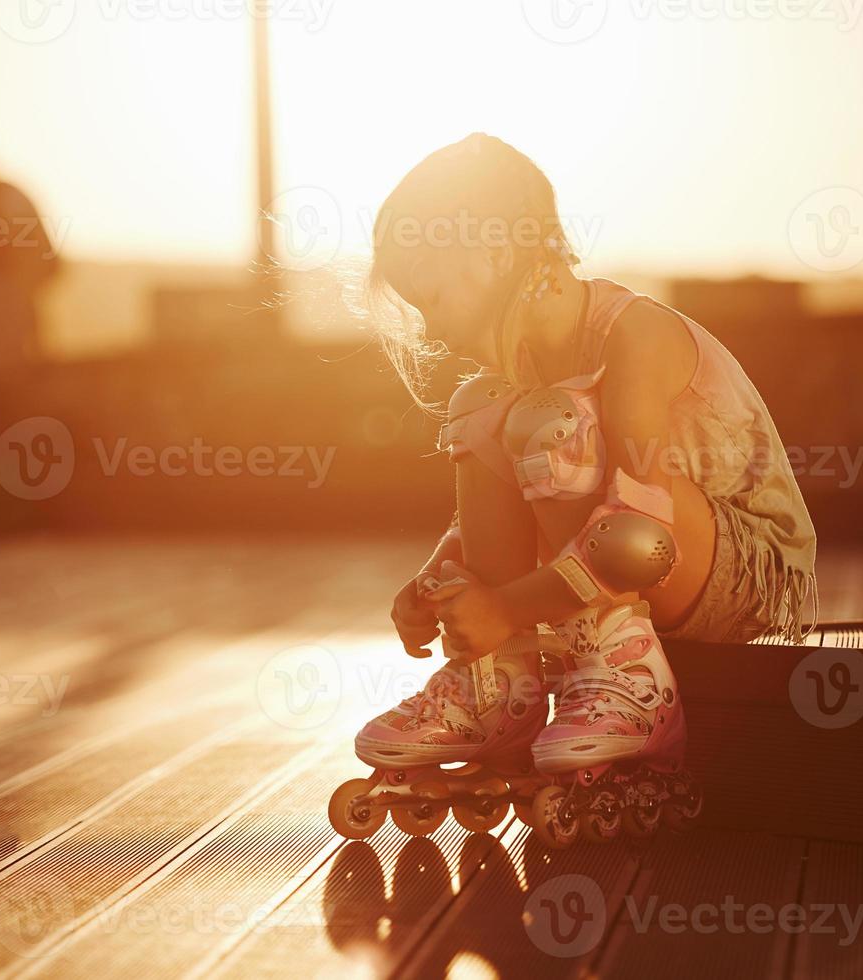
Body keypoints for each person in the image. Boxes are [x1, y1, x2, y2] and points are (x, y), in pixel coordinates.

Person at [338, 133, 817, 844]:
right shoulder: (523, 368)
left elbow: (639, 533)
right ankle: (501, 686)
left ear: (496, 254)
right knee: (481, 408)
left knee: (554, 421)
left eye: (434, 297)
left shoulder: (634, 335)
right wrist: (445, 583)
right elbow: (514, 510)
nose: (432, 326)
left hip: (741, 573)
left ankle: (630, 678)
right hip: (635, 555)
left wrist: (504, 605)